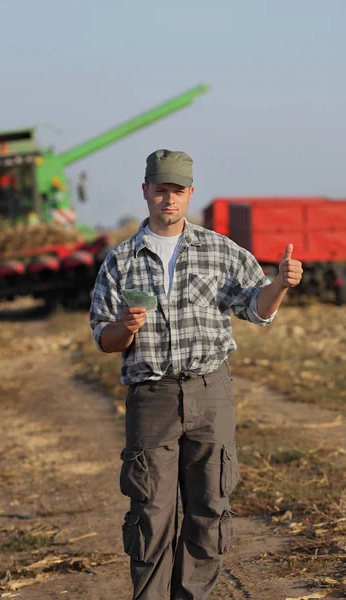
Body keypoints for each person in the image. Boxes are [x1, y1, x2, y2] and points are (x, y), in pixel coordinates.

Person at [89, 149, 303, 600]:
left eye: (178, 191)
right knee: (150, 513)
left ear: (190, 194)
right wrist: (124, 330)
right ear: (145, 191)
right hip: (151, 398)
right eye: (161, 190)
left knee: (209, 509)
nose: (169, 199)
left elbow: (255, 308)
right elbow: (103, 337)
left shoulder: (221, 250)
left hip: (211, 392)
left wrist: (279, 285)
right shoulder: (120, 260)